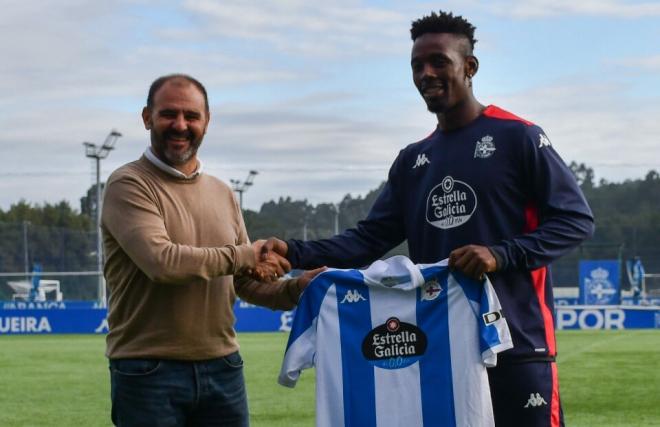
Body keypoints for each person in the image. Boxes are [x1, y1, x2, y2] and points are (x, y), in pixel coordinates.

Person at [263, 11, 594, 427]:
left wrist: (500, 254)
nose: (426, 73)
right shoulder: (413, 160)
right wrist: (293, 250)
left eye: (439, 61)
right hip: (442, 351)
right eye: (417, 65)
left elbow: (575, 220)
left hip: (518, 347)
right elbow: (368, 239)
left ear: (469, 67)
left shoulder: (519, 137)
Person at [102, 73, 321, 427]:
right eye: (168, 114)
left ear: (206, 122)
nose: (180, 125)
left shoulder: (222, 193)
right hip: (147, 372)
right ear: (146, 118)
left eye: (191, 116)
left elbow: (244, 283)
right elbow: (163, 262)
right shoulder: (128, 184)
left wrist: (297, 288)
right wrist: (249, 254)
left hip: (223, 367)